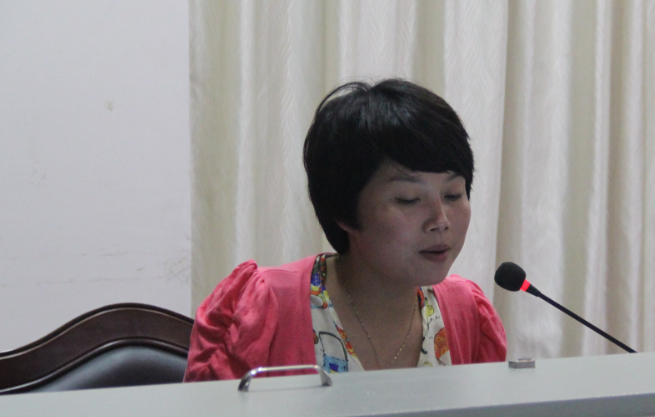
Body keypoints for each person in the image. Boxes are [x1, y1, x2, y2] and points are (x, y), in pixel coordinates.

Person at [185, 79, 506, 381]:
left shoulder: (466, 312)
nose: (440, 220)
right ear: (343, 210)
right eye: (409, 199)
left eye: (453, 195)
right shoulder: (264, 309)